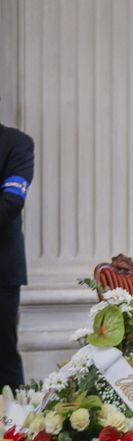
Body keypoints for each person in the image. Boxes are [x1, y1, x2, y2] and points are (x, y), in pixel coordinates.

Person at [0, 117, 33, 392]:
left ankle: (11, 431)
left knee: (3, 356)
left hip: (2, 271)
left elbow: (11, 203)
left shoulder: (17, 144)